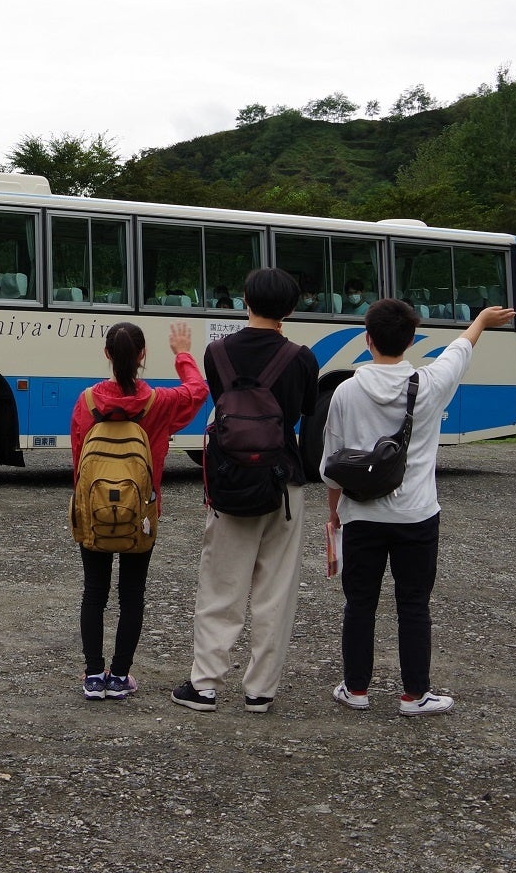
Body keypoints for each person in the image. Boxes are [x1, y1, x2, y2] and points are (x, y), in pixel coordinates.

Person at [323, 298, 516, 716]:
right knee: (413, 604)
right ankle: (415, 695)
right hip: (417, 515)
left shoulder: (345, 391)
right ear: (411, 340)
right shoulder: (429, 384)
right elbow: (459, 350)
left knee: (359, 604)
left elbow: (332, 465)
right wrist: (481, 320)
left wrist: (335, 514)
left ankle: (355, 689)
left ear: (367, 339)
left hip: (361, 515)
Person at [172, 267, 320, 714]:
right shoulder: (301, 358)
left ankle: (205, 684)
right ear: (290, 309)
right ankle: (260, 690)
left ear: (245, 300)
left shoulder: (217, 353)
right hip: (284, 483)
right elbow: (304, 410)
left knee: (221, 584)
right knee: (276, 589)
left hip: (231, 480)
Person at [71, 321, 210, 700]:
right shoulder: (158, 403)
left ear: (107, 354)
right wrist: (183, 354)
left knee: (94, 592)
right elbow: (198, 391)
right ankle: (119, 677)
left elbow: (79, 461)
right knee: (132, 594)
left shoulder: (87, 402)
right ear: (142, 355)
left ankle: (93, 676)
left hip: (93, 511)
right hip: (142, 514)